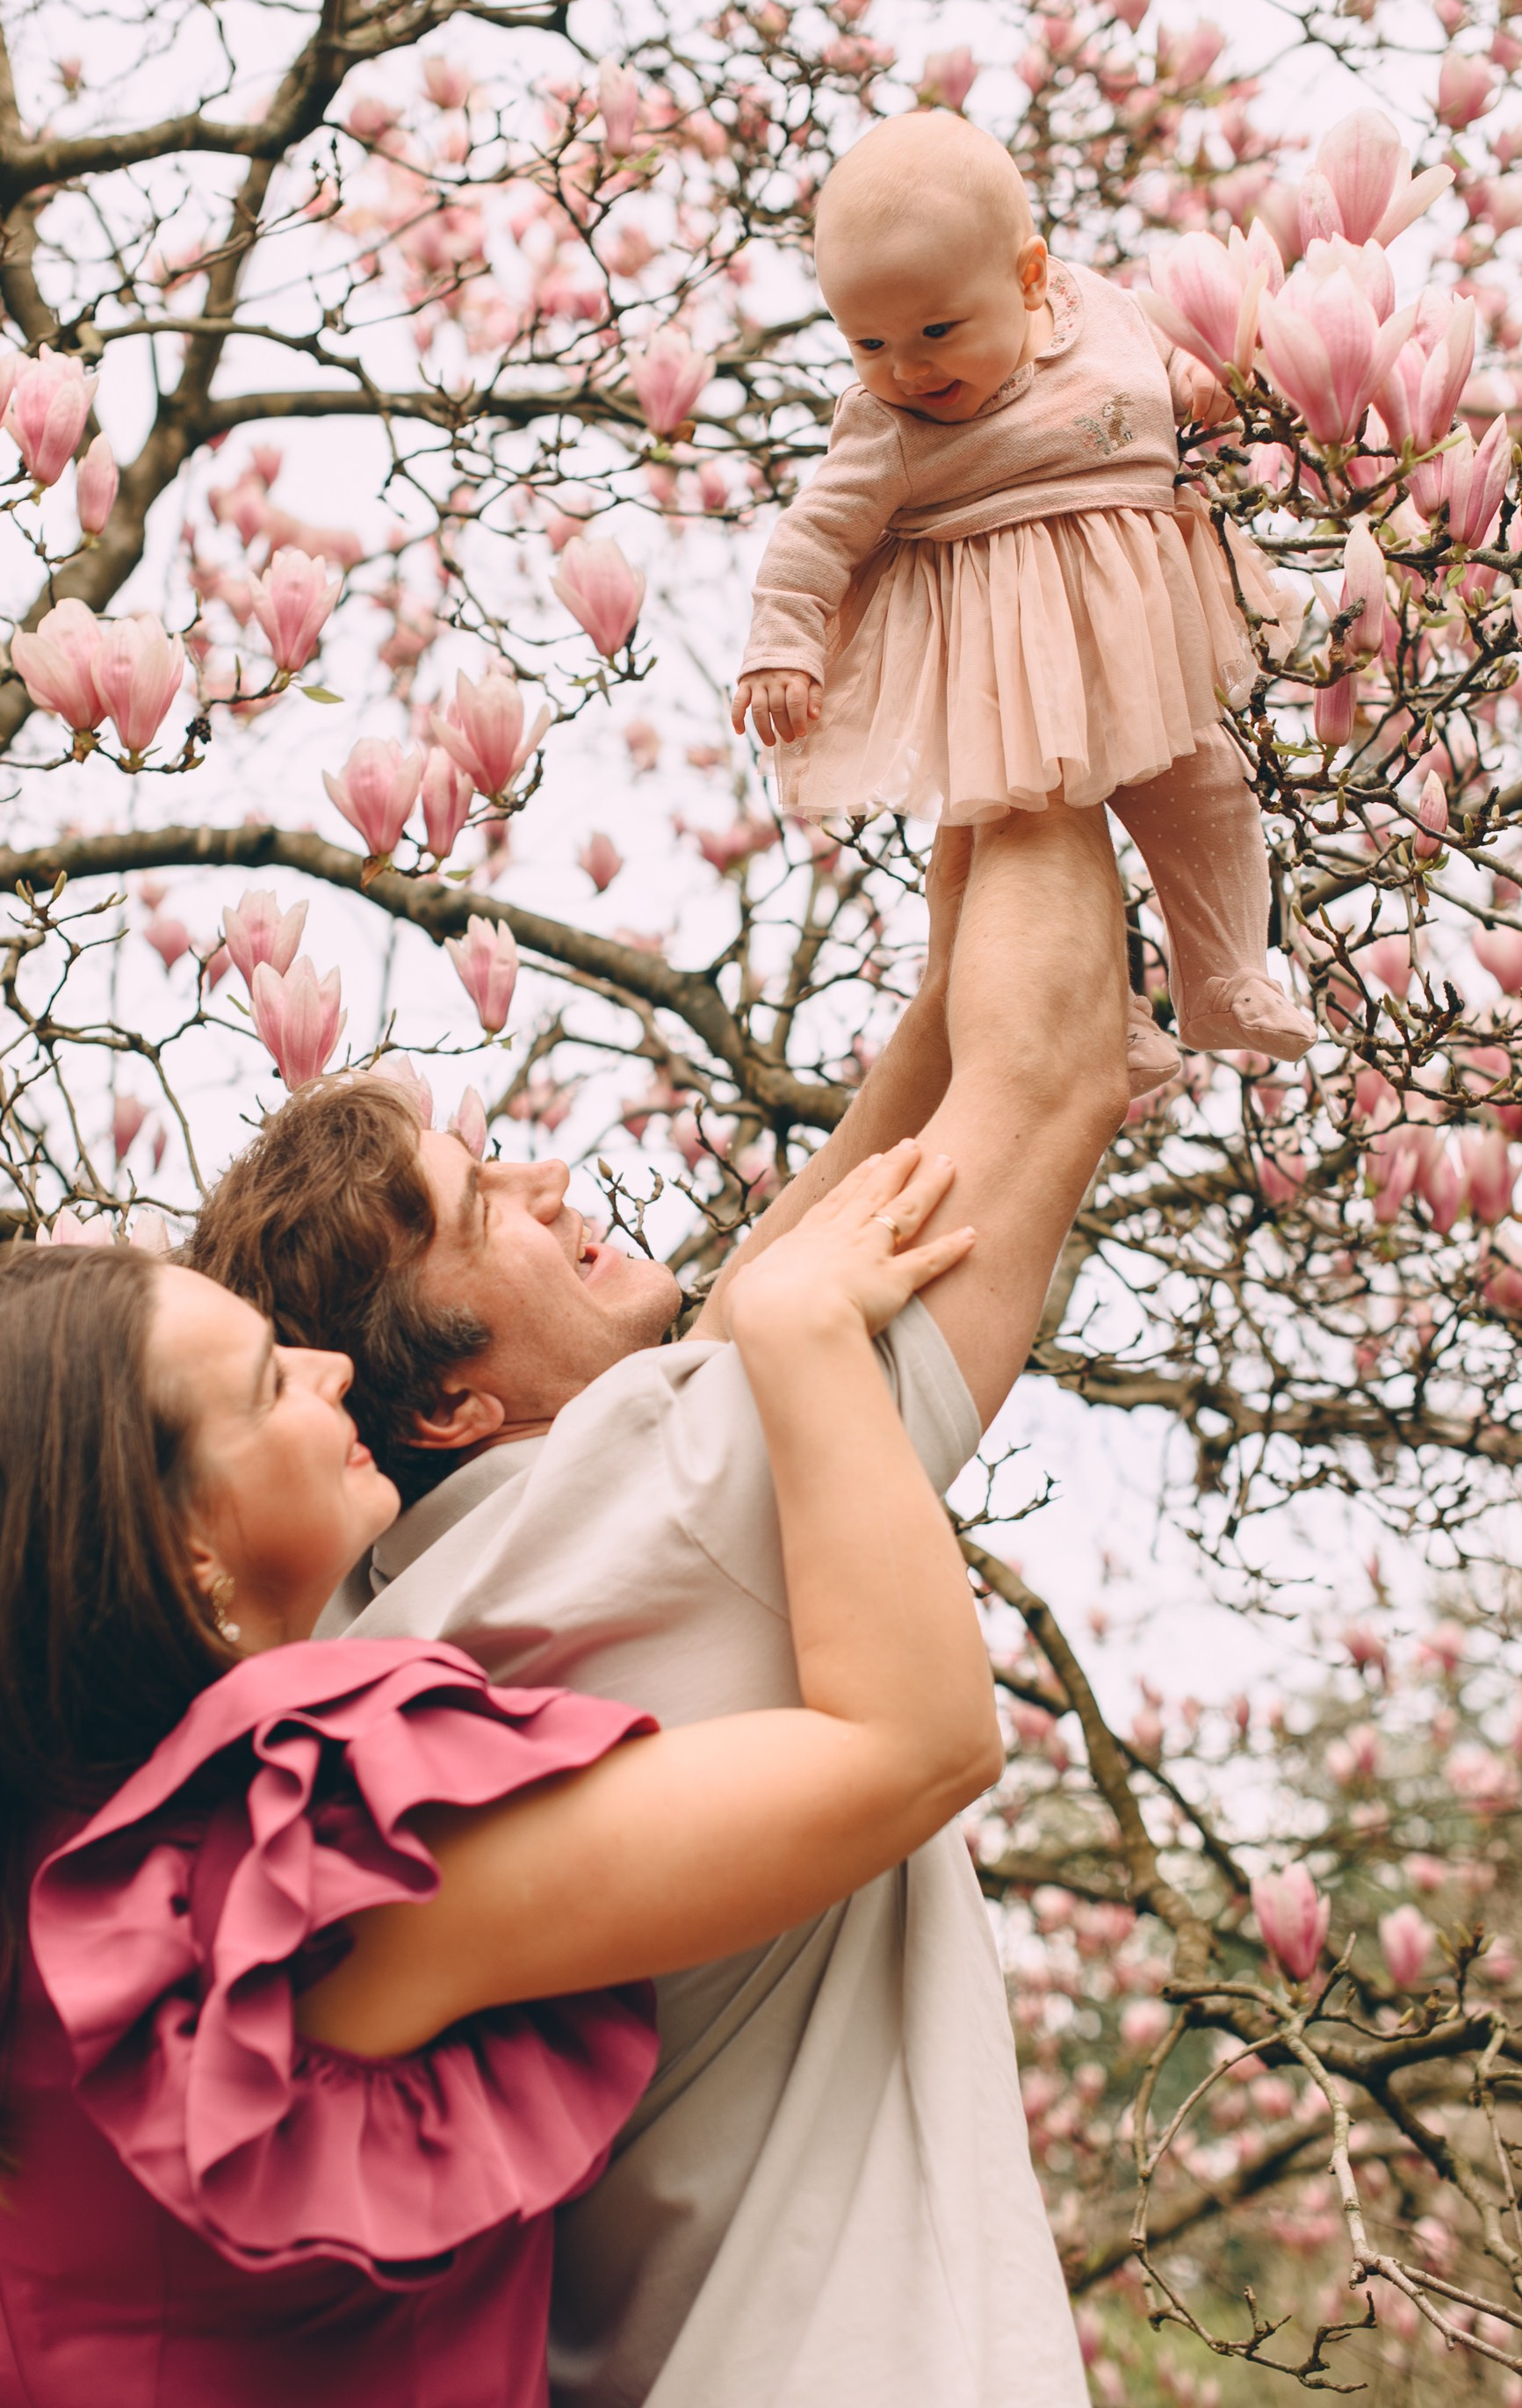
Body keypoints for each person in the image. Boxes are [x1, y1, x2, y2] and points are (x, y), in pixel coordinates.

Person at [184, 794, 1129, 2408]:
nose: (549, 1176)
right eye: (486, 1206)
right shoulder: (681, 1486)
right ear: (450, 1406)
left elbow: (810, 1251)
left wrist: (945, 923)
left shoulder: (381, 1627)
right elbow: (1049, 1068)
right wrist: (1038, 648)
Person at [0, 1153, 996, 2408]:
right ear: (187, 1539)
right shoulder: (288, 1878)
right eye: (270, 1383)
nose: (334, 1372)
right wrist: (803, 1336)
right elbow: (914, 1748)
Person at [730, 108, 1314, 1096]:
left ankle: (1225, 974)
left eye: (936, 331)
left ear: (1030, 277)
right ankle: (1099, 1015)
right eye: (866, 341)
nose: (906, 368)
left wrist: (1195, 377)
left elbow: (1164, 374)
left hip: (1139, 638)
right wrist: (782, 647)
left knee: (1207, 794)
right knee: (1033, 850)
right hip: (1008, 666)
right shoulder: (884, 429)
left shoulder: (1110, 316)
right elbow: (815, 535)